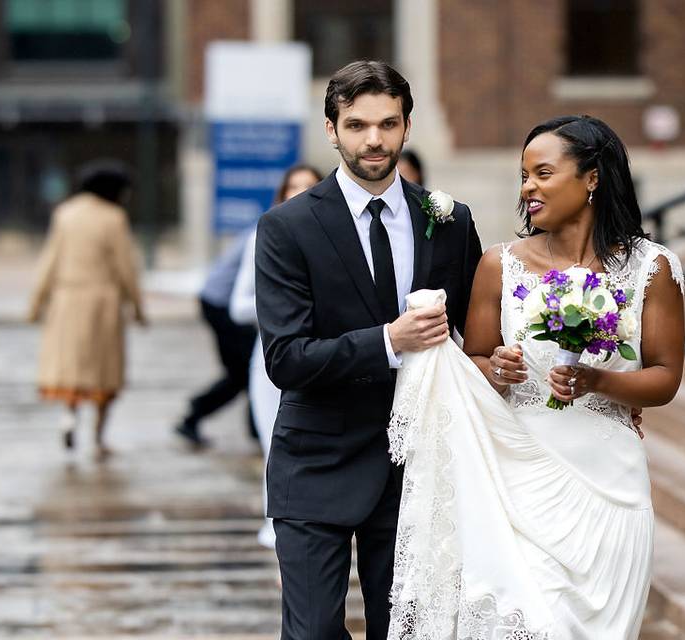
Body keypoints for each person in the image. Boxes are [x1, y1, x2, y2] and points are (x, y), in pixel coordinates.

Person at [386, 115, 684, 638]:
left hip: (609, 485)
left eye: (542, 173)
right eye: (524, 176)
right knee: (531, 622)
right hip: (517, 475)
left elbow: (664, 377)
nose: (528, 188)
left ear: (591, 177)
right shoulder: (500, 265)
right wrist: (497, 369)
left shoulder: (651, 268)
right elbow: (475, 358)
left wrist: (597, 381)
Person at [254, 60, 483, 640]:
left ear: (408, 125)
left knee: (402, 631)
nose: (374, 139)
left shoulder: (450, 221)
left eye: (388, 123)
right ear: (331, 130)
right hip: (315, 461)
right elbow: (286, 359)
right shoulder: (286, 227)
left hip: (414, 469)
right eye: (356, 125)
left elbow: (479, 339)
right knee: (310, 634)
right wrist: (389, 341)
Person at [230, 163, 323, 550]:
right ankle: (279, 526)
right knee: (276, 441)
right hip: (273, 356)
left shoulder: (335, 236)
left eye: (310, 187)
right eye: (293, 187)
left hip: (325, 355)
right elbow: (238, 306)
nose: (300, 193)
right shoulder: (265, 234)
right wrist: (285, 308)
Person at [28, 160, 146, 461]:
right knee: (105, 372)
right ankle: (98, 437)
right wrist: (137, 306)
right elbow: (125, 267)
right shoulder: (113, 218)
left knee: (72, 368)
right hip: (102, 303)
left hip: (66, 301)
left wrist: (36, 302)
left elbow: (49, 261)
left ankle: (69, 416)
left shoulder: (65, 214)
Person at [173, 229, 259, 448]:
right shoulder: (269, 230)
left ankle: (196, 414)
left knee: (244, 371)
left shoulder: (264, 226)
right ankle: (197, 413)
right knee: (248, 369)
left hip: (216, 301)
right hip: (221, 304)